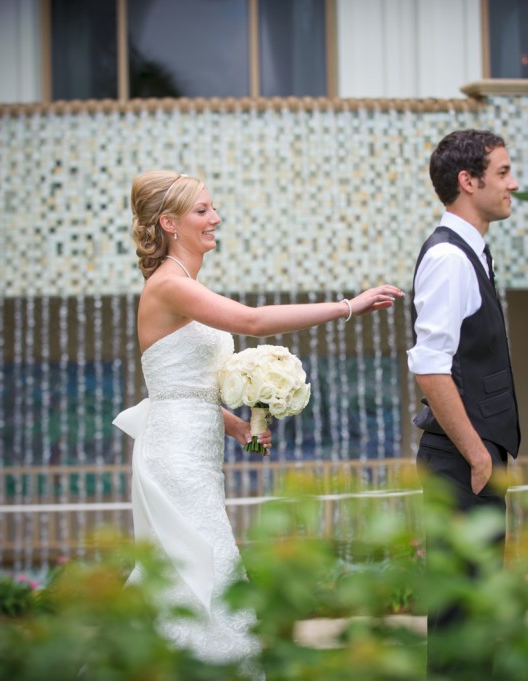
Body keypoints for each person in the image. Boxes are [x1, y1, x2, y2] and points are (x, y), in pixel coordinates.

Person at [112, 169, 403, 678]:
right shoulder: (168, 286)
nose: (215, 218)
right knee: (205, 565)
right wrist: (347, 306)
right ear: (169, 222)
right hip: (176, 458)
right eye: (202, 210)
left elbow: (186, 389)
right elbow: (250, 321)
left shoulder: (184, 285)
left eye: (211, 208)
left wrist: (240, 427)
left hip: (198, 451)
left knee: (192, 569)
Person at [407, 129, 522, 676]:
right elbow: (431, 368)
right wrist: (479, 456)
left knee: (477, 618)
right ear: (467, 181)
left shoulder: (471, 251)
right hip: (461, 461)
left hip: (470, 459)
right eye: (502, 172)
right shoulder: (450, 259)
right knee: (460, 622)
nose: (512, 183)